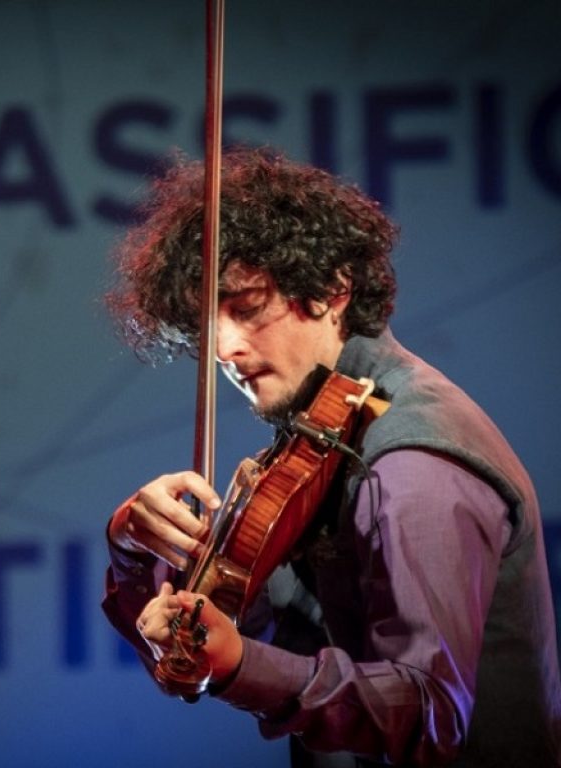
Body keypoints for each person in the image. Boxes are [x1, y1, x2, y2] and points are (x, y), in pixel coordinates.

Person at [101, 147, 561, 767]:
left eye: (246, 308)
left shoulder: (410, 464)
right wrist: (132, 547)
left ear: (333, 289)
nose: (226, 349)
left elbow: (431, 714)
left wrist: (240, 665)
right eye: (209, 324)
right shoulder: (321, 430)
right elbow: (239, 634)